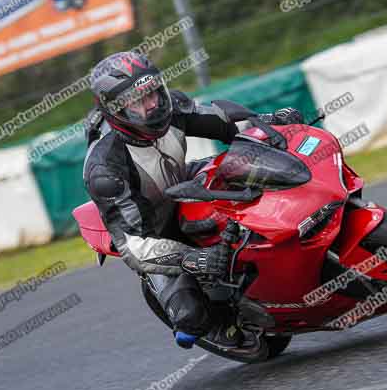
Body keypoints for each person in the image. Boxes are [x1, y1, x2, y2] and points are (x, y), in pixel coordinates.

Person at [83, 51, 303, 348]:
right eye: (139, 101)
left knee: (254, 167)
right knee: (191, 319)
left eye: (153, 92)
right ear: (117, 110)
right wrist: (190, 258)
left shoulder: (169, 106)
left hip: (185, 181)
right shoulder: (105, 169)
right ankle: (220, 324)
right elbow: (133, 246)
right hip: (156, 231)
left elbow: (224, 124)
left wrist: (267, 121)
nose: (153, 105)